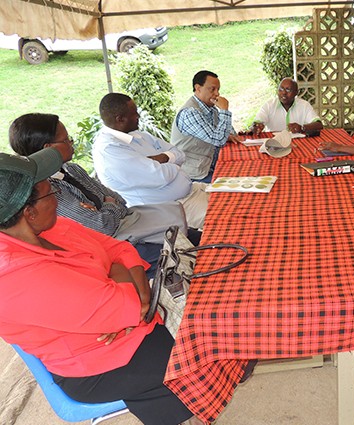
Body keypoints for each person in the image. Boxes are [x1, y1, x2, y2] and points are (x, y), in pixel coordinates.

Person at [0, 147, 206, 425]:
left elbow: (120, 249)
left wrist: (126, 293)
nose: (58, 200)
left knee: (209, 314)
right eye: (52, 192)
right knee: (206, 348)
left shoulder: (51, 227)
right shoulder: (14, 278)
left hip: (129, 330)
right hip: (99, 364)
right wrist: (127, 296)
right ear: (29, 212)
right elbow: (126, 301)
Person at [8, 113, 195, 275]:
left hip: (134, 229)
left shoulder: (71, 169)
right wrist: (108, 204)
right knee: (194, 255)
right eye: (66, 140)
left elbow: (118, 199)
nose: (72, 143)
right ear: (48, 148)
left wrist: (106, 207)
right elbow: (103, 226)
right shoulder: (48, 191)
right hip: (124, 247)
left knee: (198, 240)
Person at [93, 93, 209, 230]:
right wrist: (175, 165)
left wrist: (164, 158)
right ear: (120, 119)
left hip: (192, 191)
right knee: (231, 219)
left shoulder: (139, 135)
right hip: (173, 209)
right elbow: (160, 176)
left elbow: (180, 154)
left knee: (237, 198)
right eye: (134, 113)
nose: (139, 116)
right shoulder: (110, 150)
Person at [171, 70, 239, 183]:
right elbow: (218, 140)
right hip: (194, 175)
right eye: (212, 89)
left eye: (218, 90)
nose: (217, 94)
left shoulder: (211, 109)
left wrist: (227, 135)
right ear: (198, 88)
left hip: (209, 166)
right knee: (236, 182)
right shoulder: (190, 113)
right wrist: (224, 110)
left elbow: (230, 133)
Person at [250, 77, 323, 135]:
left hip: (299, 144)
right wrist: (256, 127)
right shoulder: (269, 105)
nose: (284, 93)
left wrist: (302, 128)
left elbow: (319, 125)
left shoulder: (304, 105)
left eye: (288, 90)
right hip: (274, 144)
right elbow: (256, 122)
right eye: (281, 89)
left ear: (296, 92)